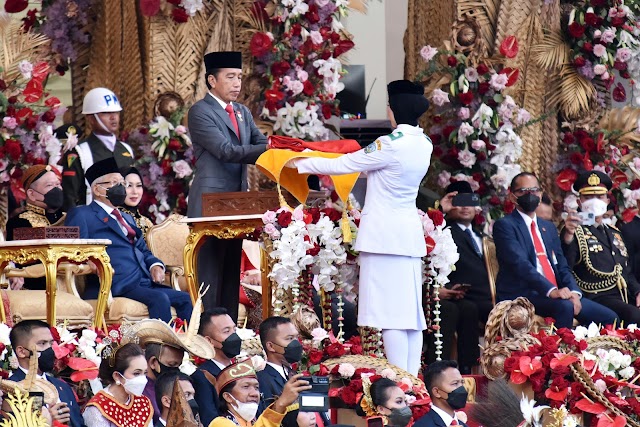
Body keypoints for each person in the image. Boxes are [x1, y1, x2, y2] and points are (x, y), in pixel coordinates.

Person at [287, 80, 432, 376]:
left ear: (393, 111)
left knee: (390, 315)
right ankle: (411, 379)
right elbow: (370, 166)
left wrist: (299, 163)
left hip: (384, 240)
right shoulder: (423, 143)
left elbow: (346, 164)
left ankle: (400, 382)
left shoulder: (390, 144)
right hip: (407, 238)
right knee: (410, 316)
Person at [187, 51, 267, 318]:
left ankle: (229, 336)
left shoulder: (242, 112)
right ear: (212, 80)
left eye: (240, 77)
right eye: (230, 77)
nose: (237, 83)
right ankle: (207, 337)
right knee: (210, 276)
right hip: (209, 203)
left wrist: (279, 150)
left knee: (231, 273)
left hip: (236, 203)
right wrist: (269, 150)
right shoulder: (200, 111)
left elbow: (260, 143)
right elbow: (225, 150)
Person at [65, 157, 193, 322]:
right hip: (116, 283)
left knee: (186, 299)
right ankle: (160, 347)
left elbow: (142, 249)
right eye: (114, 182)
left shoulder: (126, 217)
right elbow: (74, 248)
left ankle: (187, 345)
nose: (121, 187)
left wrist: (155, 265)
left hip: (143, 281)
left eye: (121, 183)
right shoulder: (82, 214)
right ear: (97, 189)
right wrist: (89, 259)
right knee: (159, 298)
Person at [493, 172, 618, 329]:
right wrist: (551, 290)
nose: (530, 195)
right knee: (564, 307)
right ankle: (559, 353)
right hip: (524, 293)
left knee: (609, 318)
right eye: (523, 191)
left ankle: (588, 352)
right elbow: (520, 264)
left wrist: (574, 292)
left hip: (557, 294)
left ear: (540, 193)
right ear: (512, 197)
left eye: (534, 190)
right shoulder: (505, 225)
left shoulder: (548, 227)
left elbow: (562, 266)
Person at [562, 171, 640, 324]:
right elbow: (565, 264)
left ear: (606, 200)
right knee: (634, 316)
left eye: (599, 197)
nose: (594, 201)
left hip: (623, 295)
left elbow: (626, 270)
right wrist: (568, 235)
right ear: (579, 202)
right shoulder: (573, 230)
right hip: (597, 296)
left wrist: (638, 291)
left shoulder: (614, 232)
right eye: (588, 197)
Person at [62, 87, 134, 211]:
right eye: (106, 113)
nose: (113, 117)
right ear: (91, 119)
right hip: (93, 224)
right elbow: (70, 197)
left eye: (115, 112)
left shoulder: (126, 149)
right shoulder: (79, 152)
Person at [9, 320, 84, 427]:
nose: (50, 349)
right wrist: (47, 421)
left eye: (51, 343)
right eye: (42, 343)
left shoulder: (62, 386)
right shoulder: (11, 389)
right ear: (21, 352)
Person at [5, 165, 65, 290]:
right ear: (32, 194)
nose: (57, 190)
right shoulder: (20, 222)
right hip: (38, 292)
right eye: (49, 186)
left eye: (58, 184)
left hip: (72, 287)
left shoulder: (69, 217)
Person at [257, 317, 321, 427]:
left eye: (296, 337)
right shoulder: (261, 380)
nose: (296, 343)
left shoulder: (295, 374)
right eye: (289, 338)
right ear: (271, 346)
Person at [210, 359, 312, 427]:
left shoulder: (253, 422)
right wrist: (280, 404)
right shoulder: (219, 423)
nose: (254, 393)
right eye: (246, 387)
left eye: (257, 387)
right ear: (228, 397)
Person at [192, 308, 243, 426]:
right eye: (226, 331)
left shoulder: (243, 370)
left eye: (234, 330)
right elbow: (210, 419)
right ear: (209, 341)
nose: (234, 336)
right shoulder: (201, 377)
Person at [83, 343, 154, 427]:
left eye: (145, 373)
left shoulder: (143, 403)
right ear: (117, 376)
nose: (142, 379)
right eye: (136, 373)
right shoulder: (98, 409)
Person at [414, 360, 468, 427]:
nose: (461, 388)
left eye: (462, 382)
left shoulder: (463, 425)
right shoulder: (422, 425)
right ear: (436, 392)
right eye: (455, 383)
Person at [120, 167, 154, 239]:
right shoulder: (113, 218)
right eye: (129, 186)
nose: (135, 192)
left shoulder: (147, 222)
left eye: (138, 186)